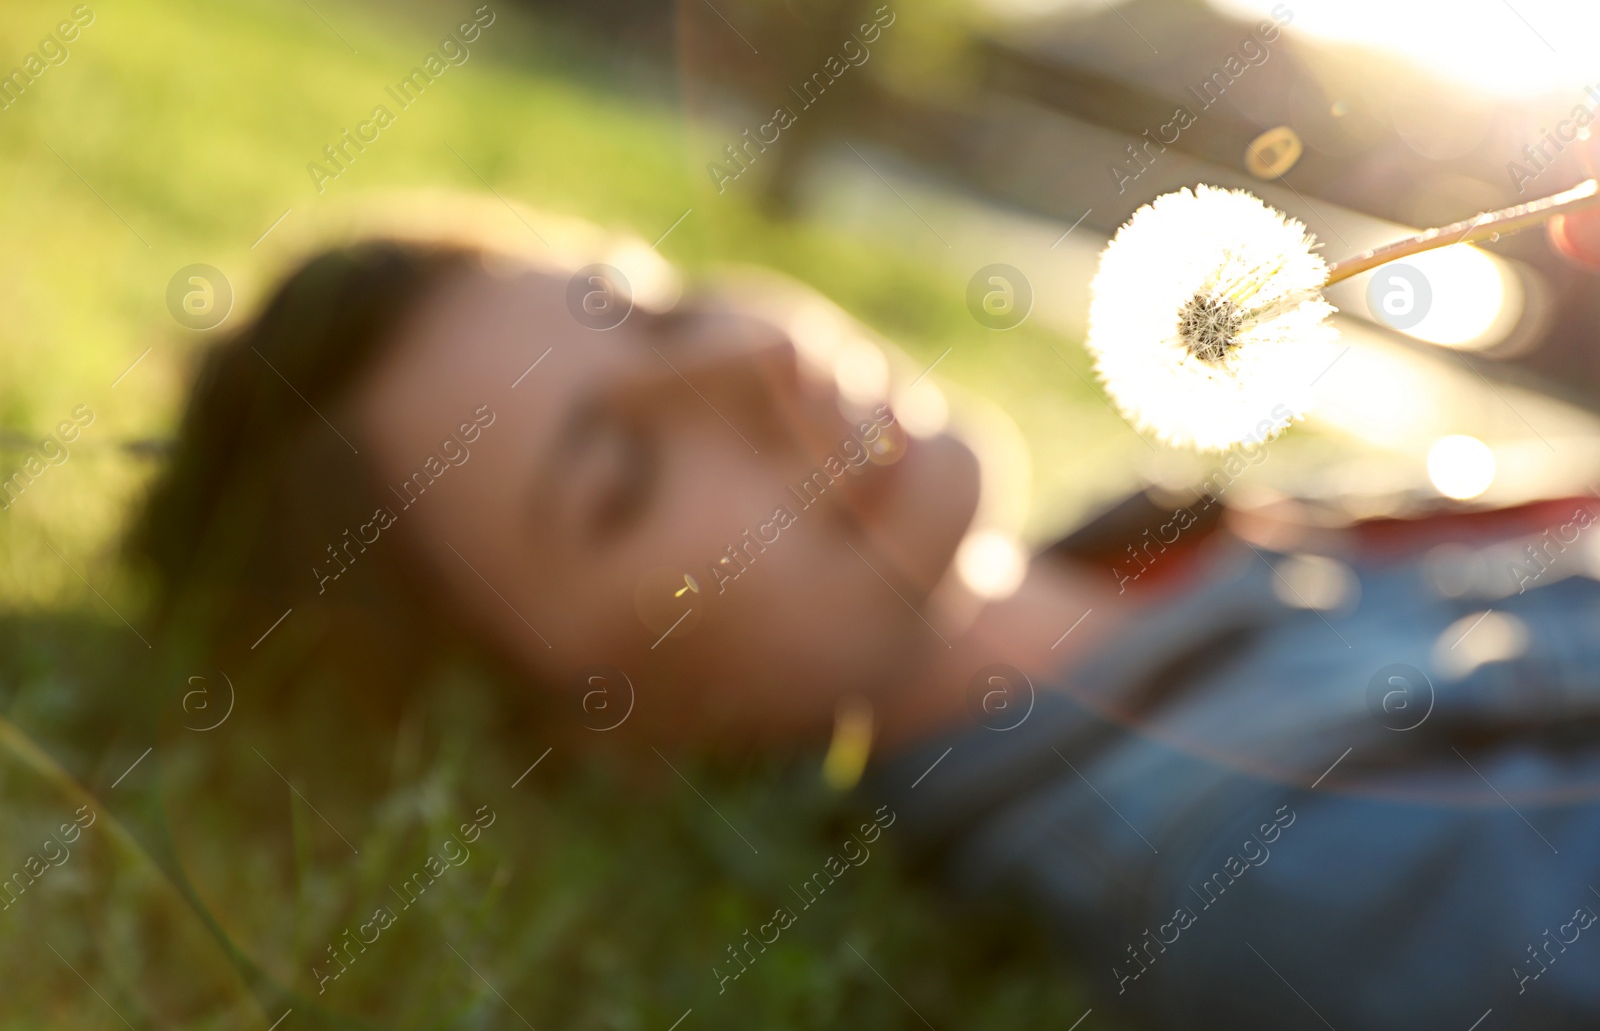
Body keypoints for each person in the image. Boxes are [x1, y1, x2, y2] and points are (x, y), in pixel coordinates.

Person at [130, 199, 1600, 1029]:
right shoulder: (1285, 875)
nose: (751, 368)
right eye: (622, 476)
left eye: (650, 305)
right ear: (597, 734)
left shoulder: (1221, 536)